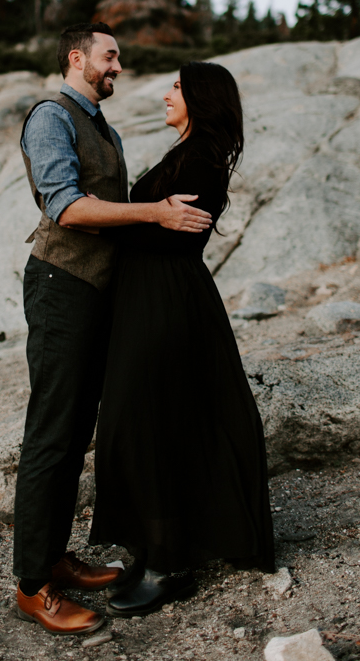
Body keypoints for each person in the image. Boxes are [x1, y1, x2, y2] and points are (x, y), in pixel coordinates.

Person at [13, 23, 213, 636]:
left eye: (118, 57)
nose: (118, 67)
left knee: (75, 434)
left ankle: (55, 556)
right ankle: (32, 585)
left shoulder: (103, 124)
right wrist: (156, 211)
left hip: (98, 295)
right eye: (109, 56)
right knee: (51, 434)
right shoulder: (52, 115)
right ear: (77, 58)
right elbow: (65, 206)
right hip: (61, 289)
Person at [90, 60, 275, 617]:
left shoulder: (201, 160)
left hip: (165, 300)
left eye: (176, 87)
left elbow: (171, 241)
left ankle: (171, 564)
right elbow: (157, 225)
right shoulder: (186, 154)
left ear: (200, 98)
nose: (167, 95)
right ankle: (155, 545)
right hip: (151, 297)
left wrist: (110, 221)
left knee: (147, 421)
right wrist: (143, 217)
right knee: (143, 420)